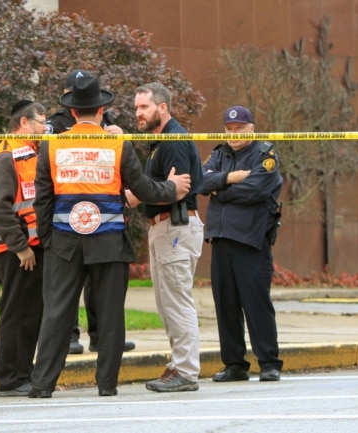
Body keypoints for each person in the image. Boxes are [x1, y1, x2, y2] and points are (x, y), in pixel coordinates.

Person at [29, 73, 191, 398]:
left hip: (63, 242)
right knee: (111, 316)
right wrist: (172, 188)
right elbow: (142, 188)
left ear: (72, 112)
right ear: (101, 111)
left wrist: (48, 239)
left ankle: (42, 384)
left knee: (57, 313)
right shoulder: (117, 143)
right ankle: (106, 385)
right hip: (109, 243)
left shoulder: (53, 145)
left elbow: (42, 200)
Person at [48, 69, 135, 356]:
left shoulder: (108, 125)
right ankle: (71, 336)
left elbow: (126, 169)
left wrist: (121, 138)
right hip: (72, 218)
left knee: (101, 290)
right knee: (68, 289)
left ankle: (101, 337)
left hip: (105, 217)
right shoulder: (57, 126)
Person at [125, 82, 204, 392]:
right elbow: (161, 188)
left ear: (162, 107)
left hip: (176, 226)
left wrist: (134, 196)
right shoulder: (158, 143)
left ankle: (186, 371)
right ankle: (178, 365)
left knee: (177, 300)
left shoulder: (173, 141)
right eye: (136, 108)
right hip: (163, 228)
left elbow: (178, 189)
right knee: (165, 302)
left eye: (143, 107)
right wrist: (143, 193)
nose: (138, 113)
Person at [200, 105, 283, 382]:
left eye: (239, 128)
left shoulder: (264, 154)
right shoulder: (220, 153)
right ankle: (234, 364)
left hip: (251, 240)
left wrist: (219, 191)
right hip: (221, 239)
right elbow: (200, 181)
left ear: (252, 129)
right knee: (226, 305)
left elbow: (256, 189)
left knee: (256, 304)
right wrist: (231, 177)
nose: (233, 133)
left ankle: (269, 362)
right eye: (229, 129)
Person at [0, 100, 48, 396]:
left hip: (28, 246)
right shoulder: (6, 158)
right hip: (16, 250)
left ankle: (22, 373)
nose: (45, 129)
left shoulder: (28, 153)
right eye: (41, 123)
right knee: (16, 312)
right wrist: (21, 248)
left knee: (29, 312)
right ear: (24, 123)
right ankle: (10, 378)